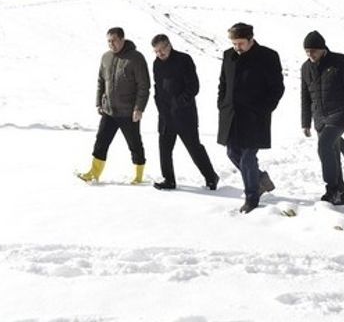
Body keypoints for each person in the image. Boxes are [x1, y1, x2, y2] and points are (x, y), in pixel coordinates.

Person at [217, 22, 285, 213]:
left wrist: (264, 109)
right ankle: (261, 179)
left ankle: (251, 197)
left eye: (240, 43)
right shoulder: (227, 56)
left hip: (255, 116)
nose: (237, 47)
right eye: (234, 43)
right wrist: (222, 105)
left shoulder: (268, 56)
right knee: (232, 153)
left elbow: (277, 88)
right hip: (231, 115)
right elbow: (222, 83)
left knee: (247, 158)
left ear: (251, 39)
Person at [78, 27, 151, 184]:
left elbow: (144, 86)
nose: (111, 44)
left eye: (114, 40)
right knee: (101, 142)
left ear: (122, 39)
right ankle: (93, 173)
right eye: (109, 41)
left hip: (129, 112)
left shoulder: (136, 58)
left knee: (134, 144)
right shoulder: (106, 57)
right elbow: (100, 81)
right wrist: (99, 102)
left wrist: (139, 108)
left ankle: (138, 175)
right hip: (109, 111)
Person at [150, 34, 219, 190]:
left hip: (185, 115)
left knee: (194, 148)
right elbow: (157, 87)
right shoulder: (157, 64)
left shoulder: (184, 59)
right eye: (156, 51)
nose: (159, 54)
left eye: (162, 50)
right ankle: (169, 180)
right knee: (164, 149)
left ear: (169, 45)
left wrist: (178, 103)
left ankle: (211, 177)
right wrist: (159, 104)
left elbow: (193, 86)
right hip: (165, 115)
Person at [300, 31, 344, 205]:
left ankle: (331, 189)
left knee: (324, 146)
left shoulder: (341, 62)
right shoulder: (305, 67)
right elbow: (305, 96)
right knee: (331, 153)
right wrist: (305, 122)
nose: (310, 54)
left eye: (314, 50)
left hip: (339, 113)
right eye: (307, 51)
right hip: (319, 117)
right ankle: (340, 193)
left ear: (323, 48)